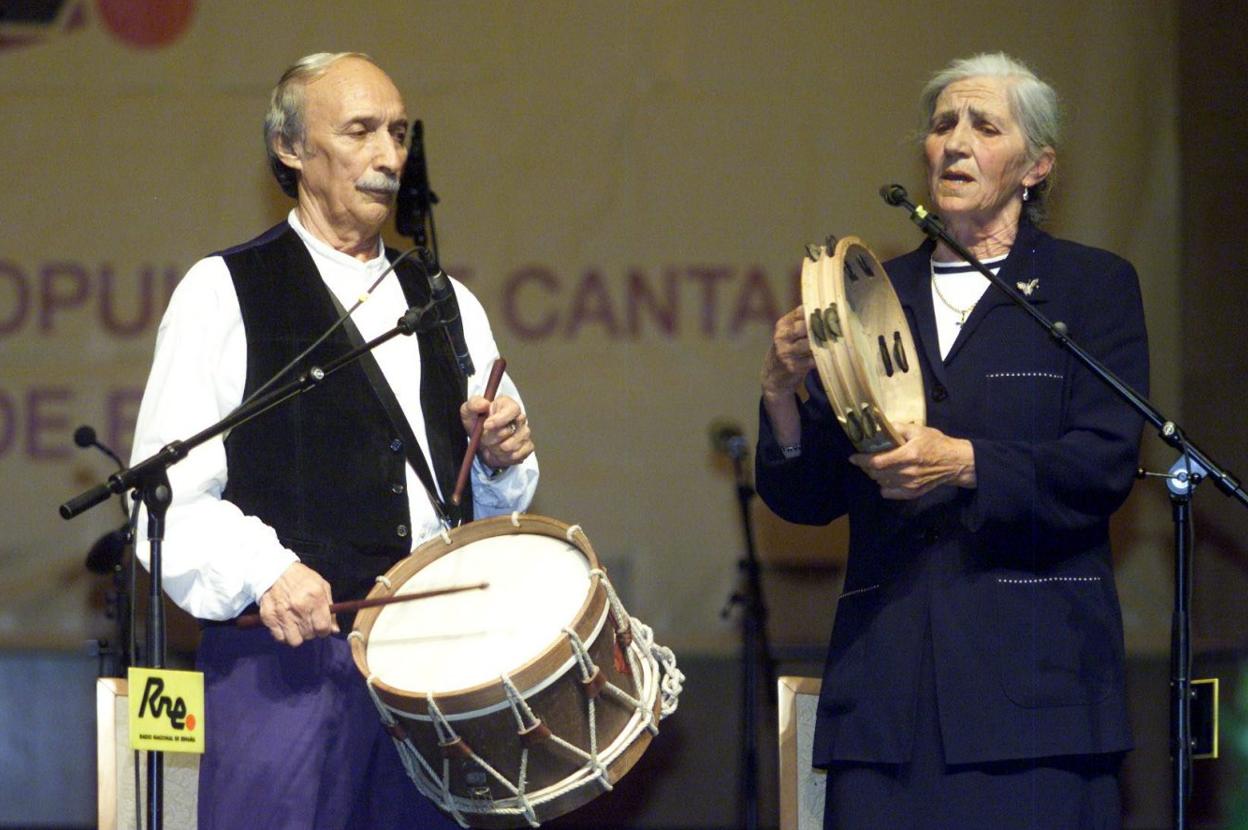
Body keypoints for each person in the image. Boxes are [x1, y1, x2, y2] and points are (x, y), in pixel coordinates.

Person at [129, 52, 538, 829]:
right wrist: (268, 569)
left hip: (432, 679)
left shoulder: (447, 301)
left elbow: (495, 506)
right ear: (291, 149)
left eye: (397, 133)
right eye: (360, 132)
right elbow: (168, 497)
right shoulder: (224, 292)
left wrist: (498, 456)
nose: (388, 156)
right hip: (283, 670)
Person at [757, 53, 1147, 829]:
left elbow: (1102, 464)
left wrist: (966, 465)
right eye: (942, 126)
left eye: (984, 125)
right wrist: (781, 391)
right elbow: (805, 499)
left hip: (1036, 701)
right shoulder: (870, 292)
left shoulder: (1088, 287)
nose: (955, 142)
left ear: (1036, 166)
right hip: (887, 702)